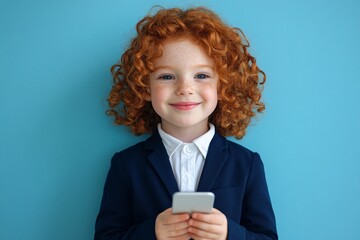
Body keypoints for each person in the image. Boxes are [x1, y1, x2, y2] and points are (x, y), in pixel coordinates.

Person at [95, 6, 277, 240]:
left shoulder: (247, 164)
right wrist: (152, 232)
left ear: (223, 86)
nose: (185, 89)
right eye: (167, 76)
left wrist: (230, 233)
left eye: (201, 75)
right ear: (144, 87)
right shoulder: (126, 165)